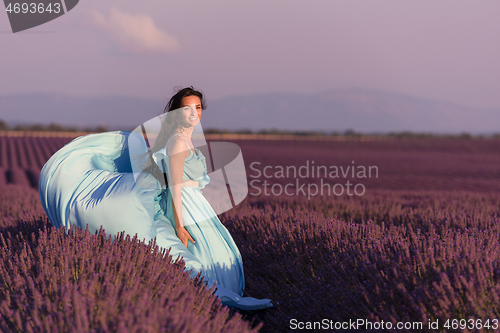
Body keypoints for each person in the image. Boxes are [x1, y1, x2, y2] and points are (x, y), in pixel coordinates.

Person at [38, 86, 273, 311]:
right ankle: (210, 301)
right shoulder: (177, 142)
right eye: (187, 109)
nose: (194, 113)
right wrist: (179, 226)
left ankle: (215, 302)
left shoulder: (187, 140)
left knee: (215, 254)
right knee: (200, 255)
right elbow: (174, 186)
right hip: (184, 205)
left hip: (197, 204)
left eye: (198, 107)